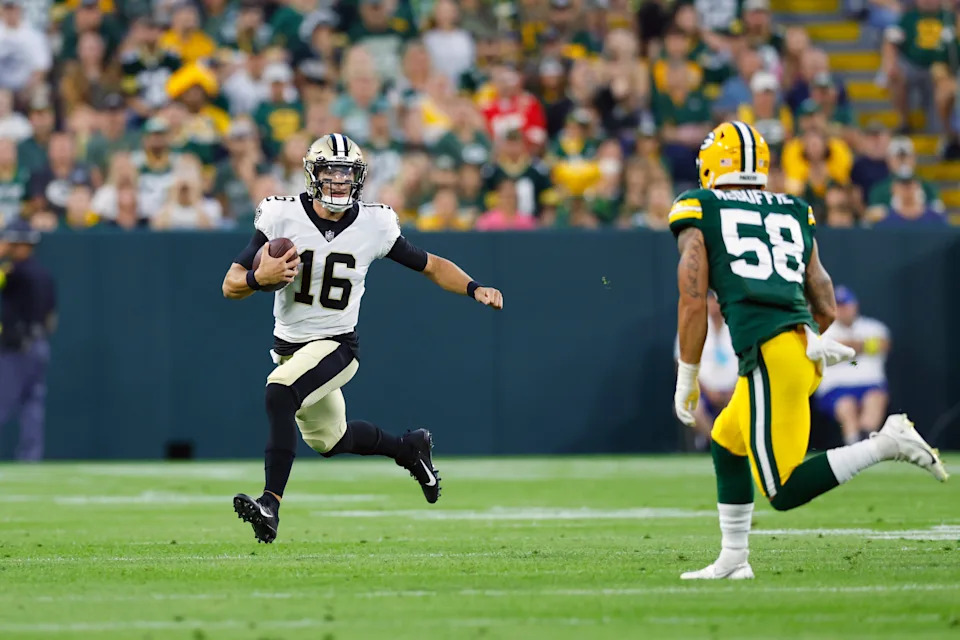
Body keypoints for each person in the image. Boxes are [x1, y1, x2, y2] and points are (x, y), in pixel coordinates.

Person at [669, 120, 947, 580]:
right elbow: (825, 298)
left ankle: (887, 443)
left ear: (713, 164)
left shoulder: (699, 205)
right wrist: (806, 337)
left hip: (770, 354)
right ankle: (734, 559)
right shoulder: (793, 208)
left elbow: (693, 299)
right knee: (726, 442)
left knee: (783, 489)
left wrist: (687, 375)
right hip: (795, 349)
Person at [222, 133, 504, 544]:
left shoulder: (374, 224)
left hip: (336, 345)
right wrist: (257, 278)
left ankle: (270, 505)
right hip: (289, 350)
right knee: (330, 440)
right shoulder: (281, 216)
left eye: (346, 173)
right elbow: (230, 285)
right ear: (312, 175)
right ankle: (409, 448)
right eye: (330, 172)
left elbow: (431, 265)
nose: (339, 181)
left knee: (279, 393)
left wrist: (474, 287)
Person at [0, 219, 56, 461]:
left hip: (18, 347)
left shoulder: (15, 272)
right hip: (39, 343)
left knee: (3, 400)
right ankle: (30, 457)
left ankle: (30, 455)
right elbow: (52, 318)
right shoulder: (43, 274)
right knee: (32, 404)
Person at [816, 286, 891, 445]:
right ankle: (854, 444)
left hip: (870, 385)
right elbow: (826, 350)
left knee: (875, 399)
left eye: (845, 305)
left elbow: (883, 344)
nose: (842, 310)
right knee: (846, 405)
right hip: (836, 388)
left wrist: (846, 348)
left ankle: (867, 441)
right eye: (838, 306)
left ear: (854, 305)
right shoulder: (823, 330)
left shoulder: (872, 327)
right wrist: (864, 346)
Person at [673, 292, 738, 449]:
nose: (715, 306)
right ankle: (716, 443)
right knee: (688, 407)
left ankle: (738, 444)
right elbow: (683, 366)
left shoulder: (737, 326)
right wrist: (708, 391)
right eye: (711, 301)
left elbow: (748, 361)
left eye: (718, 301)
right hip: (703, 393)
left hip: (735, 392)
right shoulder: (691, 327)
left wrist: (736, 389)